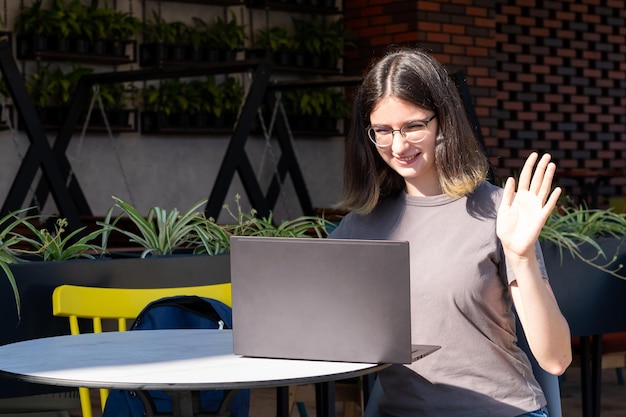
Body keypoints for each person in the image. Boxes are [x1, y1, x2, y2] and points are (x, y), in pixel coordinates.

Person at [329, 46, 572, 417]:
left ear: (443, 121)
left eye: (413, 126)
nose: (397, 145)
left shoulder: (497, 213)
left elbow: (555, 359)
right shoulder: (359, 227)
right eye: (383, 130)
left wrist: (520, 257)